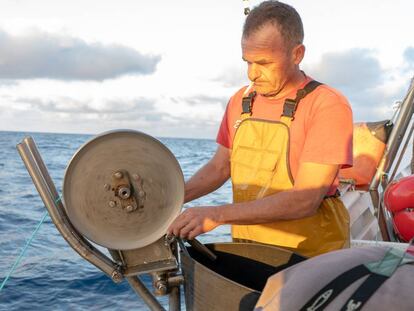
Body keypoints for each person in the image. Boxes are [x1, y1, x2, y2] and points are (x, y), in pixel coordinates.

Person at [167, 0, 353, 257]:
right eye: (248, 62)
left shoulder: (327, 104)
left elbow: (305, 200)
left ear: (297, 54)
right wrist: (168, 200)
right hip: (250, 250)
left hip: (310, 256)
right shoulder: (241, 101)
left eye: (264, 63)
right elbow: (221, 167)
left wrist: (217, 214)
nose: (252, 74)